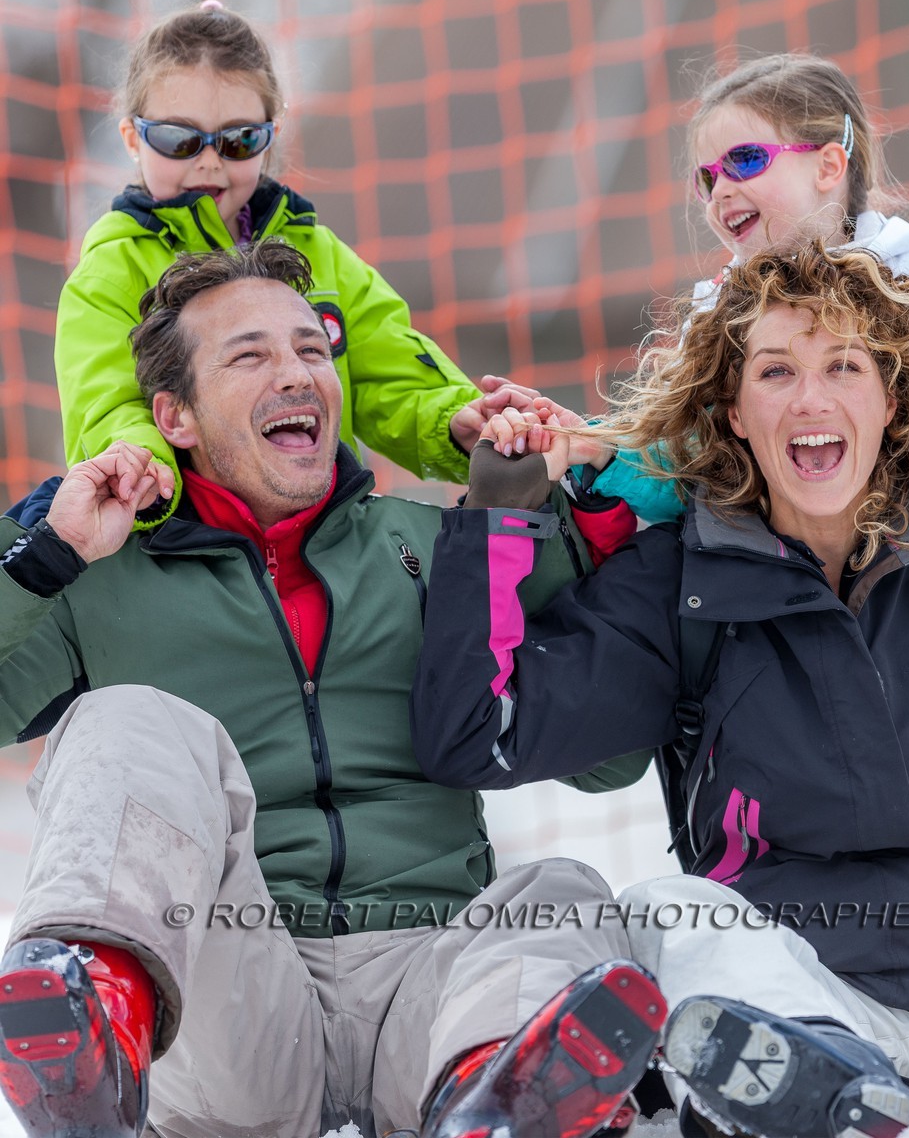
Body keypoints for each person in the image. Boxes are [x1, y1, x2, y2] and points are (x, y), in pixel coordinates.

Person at [0, 239, 664, 1138]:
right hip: (225, 991)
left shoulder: (433, 546)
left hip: (430, 987)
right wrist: (47, 556)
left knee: (563, 887)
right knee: (125, 718)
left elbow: (609, 762)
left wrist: (549, 526)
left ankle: (497, 1102)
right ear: (175, 417)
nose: (297, 372)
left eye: (312, 350)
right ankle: (92, 1023)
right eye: (250, 355)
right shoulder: (105, 568)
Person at [413, 245, 909, 1138]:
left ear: (888, 398)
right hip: (793, 993)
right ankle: (814, 1097)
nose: (810, 398)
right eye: (775, 371)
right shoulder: (678, 587)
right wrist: (498, 511)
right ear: (732, 413)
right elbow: (476, 732)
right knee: (659, 908)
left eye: (844, 366)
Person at [571, 52, 909, 868]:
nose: (719, 190)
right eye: (705, 177)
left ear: (830, 166)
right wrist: (591, 456)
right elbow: (679, 464)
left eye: (744, 161)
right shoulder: (720, 332)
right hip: (792, 673)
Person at [40, 1, 525, 530]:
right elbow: (108, 407)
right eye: (178, 139)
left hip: (327, 538)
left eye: (237, 140)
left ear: (270, 136)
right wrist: (143, 470)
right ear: (133, 137)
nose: (209, 161)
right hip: (187, 547)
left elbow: (392, 377)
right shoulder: (111, 271)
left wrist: (452, 419)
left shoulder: (318, 252)